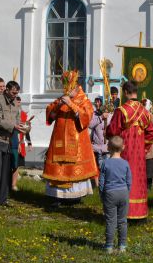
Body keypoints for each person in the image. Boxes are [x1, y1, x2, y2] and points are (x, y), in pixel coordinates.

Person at [42, 70, 97, 203]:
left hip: (76, 141)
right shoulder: (62, 98)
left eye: (70, 87)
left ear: (76, 85)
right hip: (59, 140)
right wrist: (59, 105)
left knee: (73, 168)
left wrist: (71, 105)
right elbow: (50, 114)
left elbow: (87, 117)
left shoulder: (84, 100)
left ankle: (75, 197)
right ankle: (57, 196)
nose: (67, 90)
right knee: (59, 168)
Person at [105, 80, 153, 220]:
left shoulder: (122, 110)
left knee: (124, 180)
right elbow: (151, 132)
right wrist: (144, 148)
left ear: (126, 92)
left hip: (125, 152)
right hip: (139, 155)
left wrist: (107, 131)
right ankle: (139, 213)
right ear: (135, 92)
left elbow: (113, 130)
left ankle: (124, 213)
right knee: (138, 181)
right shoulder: (144, 111)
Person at [0, 80, 29, 209]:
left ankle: (2, 199)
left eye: (16, 93)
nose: (14, 95)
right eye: (12, 92)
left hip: (8, 141)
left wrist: (25, 128)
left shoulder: (15, 103)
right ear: (7, 90)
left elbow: (18, 121)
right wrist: (14, 126)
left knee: (6, 171)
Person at [99, 135, 131, 254]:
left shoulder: (105, 163)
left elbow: (101, 182)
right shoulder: (126, 164)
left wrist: (102, 195)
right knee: (122, 221)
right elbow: (129, 181)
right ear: (123, 147)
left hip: (110, 193)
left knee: (110, 221)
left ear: (108, 147)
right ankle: (122, 245)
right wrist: (127, 193)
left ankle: (109, 246)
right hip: (123, 193)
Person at [11, 96, 32, 191]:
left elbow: (26, 131)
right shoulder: (10, 112)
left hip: (20, 142)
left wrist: (29, 143)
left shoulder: (23, 114)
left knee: (16, 165)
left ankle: (13, 185)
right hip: (11, 141)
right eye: (16, 101)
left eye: (19, 102)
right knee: (9, 164)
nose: (18, 103)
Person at [88, 97, 108, 186]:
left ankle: (104, 185)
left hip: (106, 146)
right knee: (96, 167)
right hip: (96, 145)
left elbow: (113, 127)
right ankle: (97, 185)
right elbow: (90, 125)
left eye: (99, 102)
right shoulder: (94, 115)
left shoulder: (110, 114)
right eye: (96, 102)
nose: (97, 104)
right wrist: (100, 118)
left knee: (105, 167)